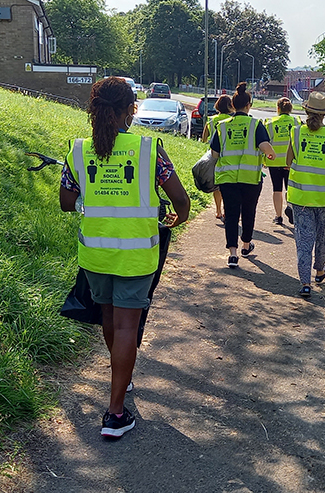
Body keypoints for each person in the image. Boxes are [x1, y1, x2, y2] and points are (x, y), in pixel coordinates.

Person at [60, 77, 190, 437]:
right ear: (129, 110)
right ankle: (115, 414)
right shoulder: (148, 150)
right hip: (135, 257)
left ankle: (122, 379)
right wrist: (179, 217)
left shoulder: (78, 151)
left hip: (96, 255)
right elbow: (180, 200)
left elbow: (66, 203)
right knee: (127, 327)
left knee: (109, 319)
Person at [286, 91, 325, 298]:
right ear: (324, 114)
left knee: (304, 241)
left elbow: (288, 162)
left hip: (300, 198)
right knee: (321, 237)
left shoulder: (296, 132)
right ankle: (320, 271)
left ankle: (305, 283)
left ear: (306, 110)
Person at [210, 82, 275, 269]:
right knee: (248, 212)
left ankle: (232, 254)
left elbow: (214, 154)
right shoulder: (256, 125)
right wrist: (271, 154)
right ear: (249, 106)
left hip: (228, 179)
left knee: (231, 215)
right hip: (250, 179)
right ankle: (246, 245)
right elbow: (266, 148)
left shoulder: (221, 127)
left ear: (232, 105)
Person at [263, 97, 301, 225]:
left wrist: (264, 159)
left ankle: (278, 216)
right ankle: (291, 211)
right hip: (290, 162)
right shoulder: (296, 121)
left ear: (278, 108)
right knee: (290, 189)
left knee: (277, 189)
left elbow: (266, 142)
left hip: (274, 161)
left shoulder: (270, 122)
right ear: (290, 108)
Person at [201, 95, 234, 221]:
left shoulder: (211, 120)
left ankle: (218, 211)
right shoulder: (231, 119)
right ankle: (226, 210)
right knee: (226, 184)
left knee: (216, 186)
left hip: (213, 156)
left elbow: (204, 139)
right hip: (228, 156)